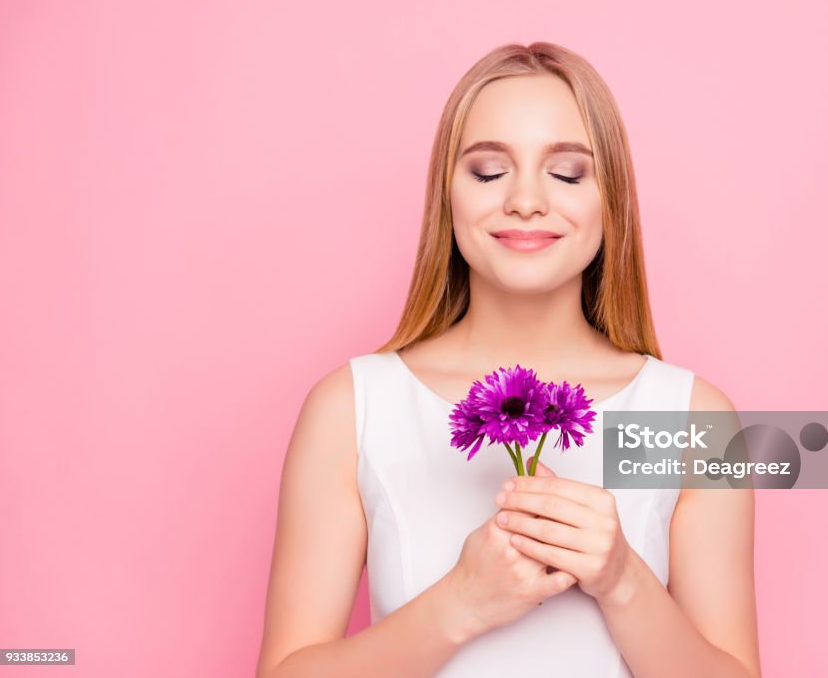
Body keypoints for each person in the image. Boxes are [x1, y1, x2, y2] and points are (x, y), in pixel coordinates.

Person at [256, 42, 761, 678]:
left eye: (568, 174)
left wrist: (622, 579)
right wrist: (459, 604)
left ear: (613, 199)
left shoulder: (693, 419)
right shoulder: (353, 407)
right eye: (490, 172)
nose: (525, 200)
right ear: (448, 196)